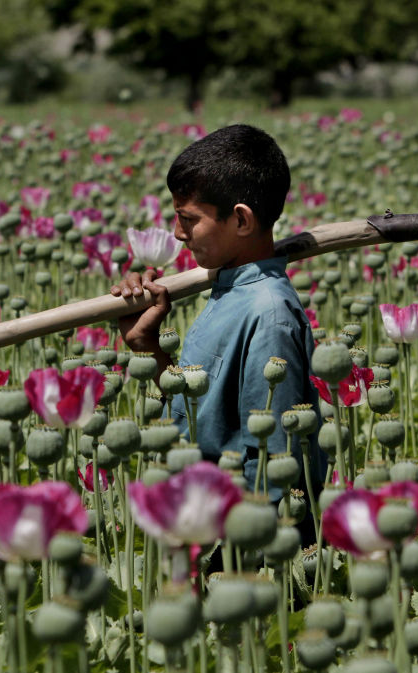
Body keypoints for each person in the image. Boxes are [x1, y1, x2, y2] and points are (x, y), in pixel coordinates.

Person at [110, 124, 323, 515]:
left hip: (240, 542)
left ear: (241, 221)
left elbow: (275, 470)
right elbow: (203, 418)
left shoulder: (268, 315)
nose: (177, 234)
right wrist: (148, 347)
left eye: (188, 219)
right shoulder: (232, 288)